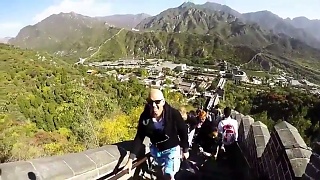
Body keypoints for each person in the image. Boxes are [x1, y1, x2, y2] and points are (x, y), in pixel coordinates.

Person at [124, 89, 189, 180]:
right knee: (160, 174)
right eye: (150, 102)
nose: (154, 105)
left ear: (163, 101)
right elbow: (140, 136)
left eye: (157, 102)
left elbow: (183, 130)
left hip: (171, 150)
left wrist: (185, 149)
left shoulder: (173, 114)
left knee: (168, 175)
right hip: (156, 151)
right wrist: (130, 159)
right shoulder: (145, 116)